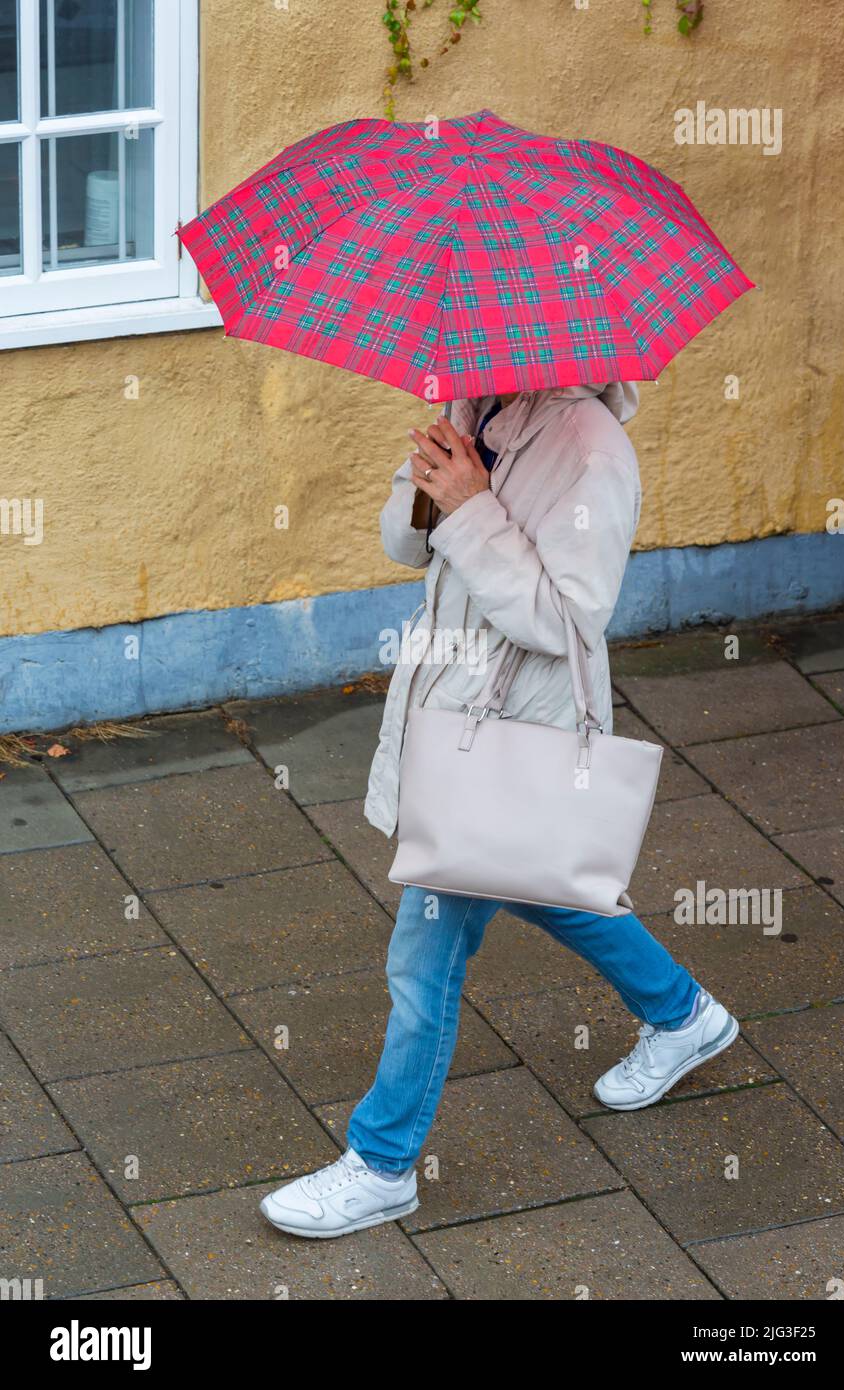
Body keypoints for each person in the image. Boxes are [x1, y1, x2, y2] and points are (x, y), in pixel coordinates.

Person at [260, 383, 738, 1239]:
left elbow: (567, 619)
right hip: (454, 712)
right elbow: (406, 550)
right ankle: (683, 1014)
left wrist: (475, 506)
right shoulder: (480, 405)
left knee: (423, 957)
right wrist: (427, 492)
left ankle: (381, 1164)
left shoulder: (591, 450)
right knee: (537, 883)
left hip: (514, 731)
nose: (463, 351)